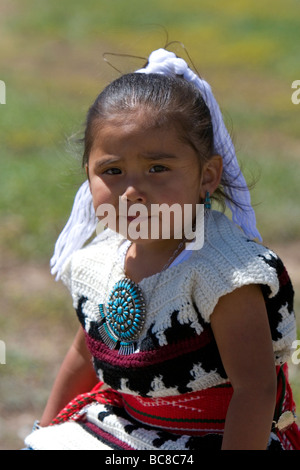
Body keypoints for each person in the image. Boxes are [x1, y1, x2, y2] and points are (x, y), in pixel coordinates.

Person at [24, 48, 300, 450]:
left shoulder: (224, 273)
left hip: (213, 437)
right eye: (112, 171)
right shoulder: (102, 262)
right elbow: (85, 352)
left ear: (207, 176)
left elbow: (255, 391)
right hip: (124, 426)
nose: (133, 191)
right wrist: (42, 432)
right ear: (89, 178)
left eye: (158, 168)